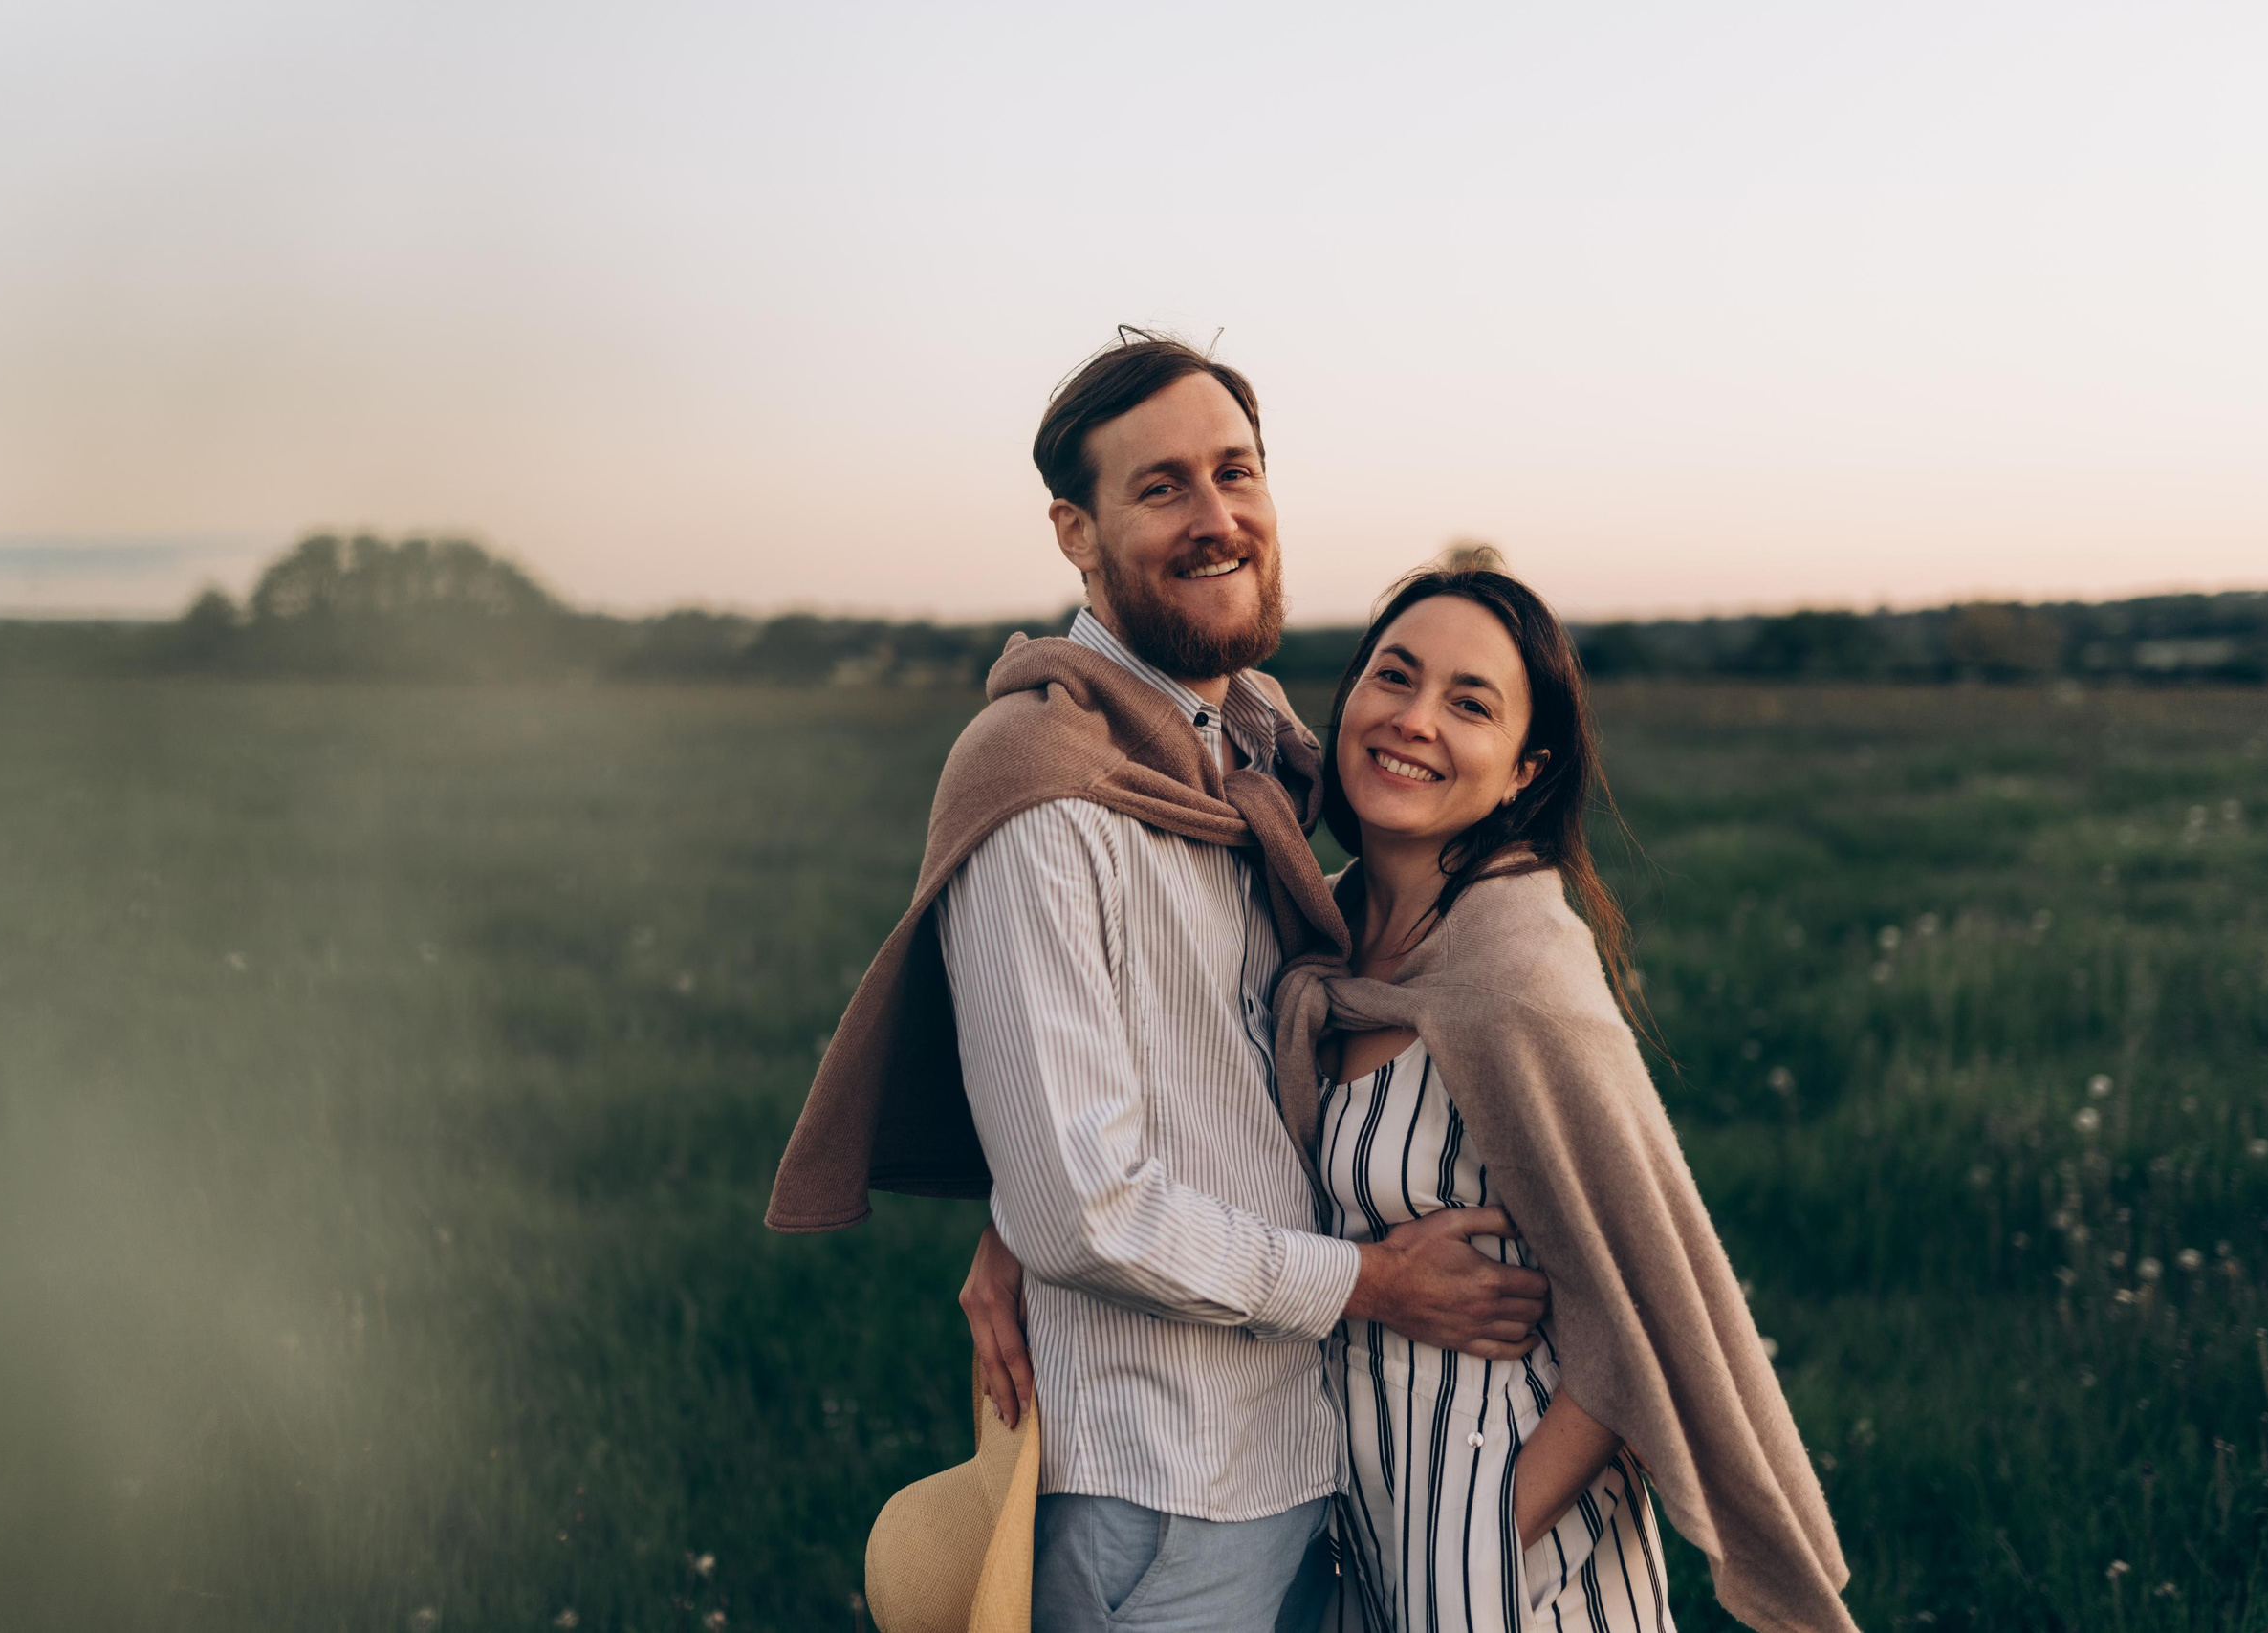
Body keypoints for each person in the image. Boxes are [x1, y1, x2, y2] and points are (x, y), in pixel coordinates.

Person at [767, 332, 1552, 1631]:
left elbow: (1168, 1104)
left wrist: (1014, 1219)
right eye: (1161, 488)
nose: (1217, 518)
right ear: (1076, 532)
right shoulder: (1049, 794)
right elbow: (1088, 1206)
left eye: (1235, 473)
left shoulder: (1251, 756)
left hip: (1300, 1463)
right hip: (1169, 1495)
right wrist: (1370, 1283)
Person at [1272, 561, 1857, 1631]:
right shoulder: (1313, 942)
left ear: (1522, 770)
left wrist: (1478, 1539)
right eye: (1392, 678)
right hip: (1352, 1519)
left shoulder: (1521, 967)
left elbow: (1639, 1308)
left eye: (1469, 702)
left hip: (1513, 1543)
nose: (1413, 720)